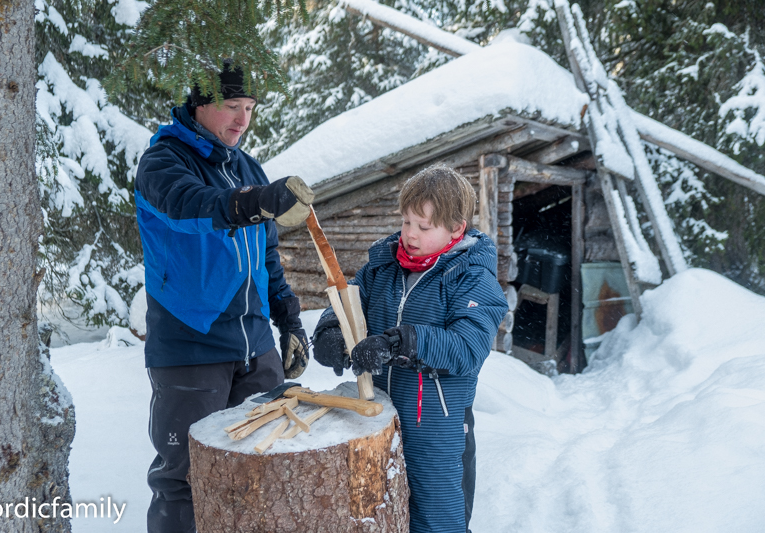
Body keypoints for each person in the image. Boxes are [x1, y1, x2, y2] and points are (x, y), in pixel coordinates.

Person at [135, 62, 314, 533]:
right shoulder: (163, 162)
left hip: (256, 350)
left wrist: (289, 322)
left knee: (261, 470)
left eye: (250, 108)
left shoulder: (246, 167)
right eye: (232, 106)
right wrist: (251, 201)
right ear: (199, 104)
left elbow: (266, 257)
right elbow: (189, 205)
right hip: (191, 348)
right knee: (184, 479)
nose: (242, 120)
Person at [312, 164, 508, 533]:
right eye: (406, 222)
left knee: (436, 523)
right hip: (375, 423)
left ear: (456, 228)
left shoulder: (472, 277)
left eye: (424, 226)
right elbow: (346, 303)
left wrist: (400, 342)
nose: (410, 235)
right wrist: (330, 335)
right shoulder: (382, 267)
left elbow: (467, 347)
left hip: (438, 430)